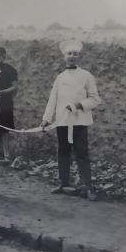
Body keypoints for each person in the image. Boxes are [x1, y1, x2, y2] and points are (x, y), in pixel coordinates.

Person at [40, 39, 101, 201]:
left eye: (75, 54)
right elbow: (52, 100)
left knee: (82, 153)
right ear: (64, 57)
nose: (72, 57)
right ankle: (64, 183)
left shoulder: (86, 76)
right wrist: (46, 119)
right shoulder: (60, 78)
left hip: (80, 121)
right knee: (63, 152)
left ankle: (87, 186)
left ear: (78, 57)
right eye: (69, 54)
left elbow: (95, 99)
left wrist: (79, 105)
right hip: (62, 121)